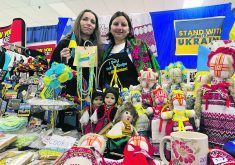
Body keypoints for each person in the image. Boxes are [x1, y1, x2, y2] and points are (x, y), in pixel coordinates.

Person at [49, 9, 101, 131]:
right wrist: (62, 62)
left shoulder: (96, 48)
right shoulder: (65, 44)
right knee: (67, 133)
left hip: (88, 101)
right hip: (68, 100)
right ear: (78, 22)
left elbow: (98, 75)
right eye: (85, 19)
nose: (89, 23)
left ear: (95, 27)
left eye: (93, 21)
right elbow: (51, 72)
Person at [100, 11, 160, 88]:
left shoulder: (139, 45)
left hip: (137, 97)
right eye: (115, 24)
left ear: (129, 29)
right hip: (112, 98)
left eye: (124, 25)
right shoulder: (105, 52)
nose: (119, 27)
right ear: (110, 28)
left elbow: (153, 71)